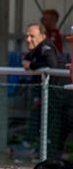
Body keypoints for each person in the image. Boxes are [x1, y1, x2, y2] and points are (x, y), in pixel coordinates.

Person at [22, 23, 67, 158]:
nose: (28, 39)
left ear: (42, 36)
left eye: (32, 36)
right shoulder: (37, 49)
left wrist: (32, 65)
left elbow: (52, 65)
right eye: (27, 36)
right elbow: (25, 62)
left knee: (55, 131)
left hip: (62, 98)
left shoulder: (46, 47)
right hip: (52, 98)